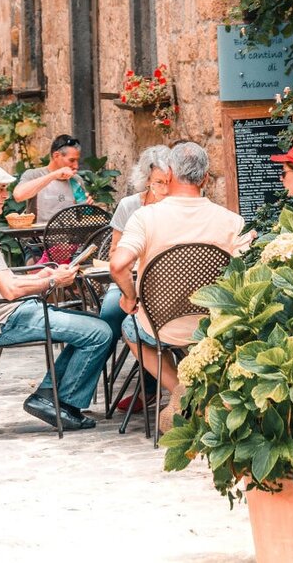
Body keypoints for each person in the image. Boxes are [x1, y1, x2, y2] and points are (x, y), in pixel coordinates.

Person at [0, 158, 116, 432]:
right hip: (5, 319)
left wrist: (39, 276)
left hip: (3, 312)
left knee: (90, 327)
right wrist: (53, 281)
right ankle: (64, 404)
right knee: (100, 332)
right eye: (0, 189)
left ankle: (48, 396)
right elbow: (9, 290)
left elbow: (1, 278)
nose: (5, 196)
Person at [109, 141, 249, 423]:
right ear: (206, 178)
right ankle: (201, 394)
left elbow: (117, 264)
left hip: (160, 327)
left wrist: (129, 297)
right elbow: (244, 273)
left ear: (170, 173)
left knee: (129, 327)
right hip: (212, 326)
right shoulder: (232, 221)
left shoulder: (145, 218)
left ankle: (179, 390)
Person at [100, 146, 173, 410]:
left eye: (169, 182)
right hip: (129, 279)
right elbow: (114, 253)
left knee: (150, 317)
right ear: (146, 181)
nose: (165, 189)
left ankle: (150, 388)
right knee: (110, 312)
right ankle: (94, 375)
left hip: (165, 284)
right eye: (158, 182)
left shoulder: (179, 206)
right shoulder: (130, 206)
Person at [13, 134, 84, 223]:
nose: (76, 166)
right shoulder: (34, 175)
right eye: (72, 160)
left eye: (77, 161)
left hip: (71, 231)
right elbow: (18, 196)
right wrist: (54, 175)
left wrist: (86, 207)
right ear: (56, 156)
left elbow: (82, 214)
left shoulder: (76, 180)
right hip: (40, 232)